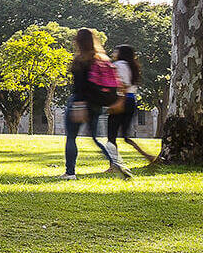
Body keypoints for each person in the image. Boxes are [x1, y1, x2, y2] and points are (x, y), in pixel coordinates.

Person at [63, 27, 130, 180]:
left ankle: (70, 172)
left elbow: (79, 86)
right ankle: (116, 164)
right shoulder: (102, 59)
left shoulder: (80, 60)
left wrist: (79, 105)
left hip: (79, 102)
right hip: (96, 104)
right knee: (94, 138)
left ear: (78, 42)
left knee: (71, 137)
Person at [108, 44, 155, 162]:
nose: (114, 53)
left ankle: (114, 165)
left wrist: (118, 103)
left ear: (121, 53)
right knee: (125, 137)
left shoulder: (118, 65)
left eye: (116, 51)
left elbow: (122, 85)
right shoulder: (132, 67)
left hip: (121, 100)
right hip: (131, 100)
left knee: (111, 136)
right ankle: (147, 156)